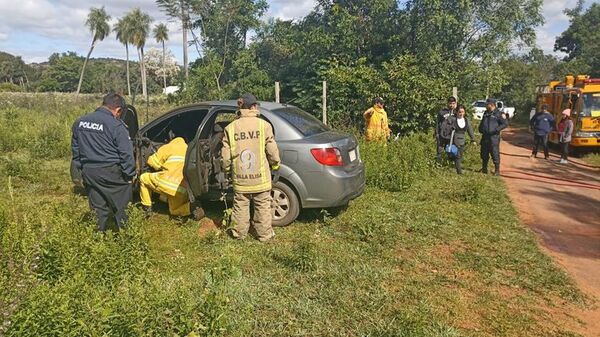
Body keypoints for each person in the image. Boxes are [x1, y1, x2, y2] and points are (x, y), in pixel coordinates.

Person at [221, 94, 281, 242]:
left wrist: (227, 169)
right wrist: (275, 164)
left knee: (240, 207)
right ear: (253, 107)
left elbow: (226, 155)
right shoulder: (264, 125)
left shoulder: (230, 128)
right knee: (262, 207)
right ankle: (265, 235)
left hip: (241, 179)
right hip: (260, 178)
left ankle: (239, 234)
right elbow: (272, 150)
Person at [71, 93, 135, 231]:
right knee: (123, 208)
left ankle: (98, 239)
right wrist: (129, 175)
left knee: (98, 208)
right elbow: (126, 153)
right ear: (118, 110)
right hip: (111, 172)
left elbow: (76, 150)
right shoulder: (117, 126)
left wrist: (79, 169)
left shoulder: (80, 122)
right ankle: (127, 238)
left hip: (89, 171)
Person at [139, 133, 204, 218]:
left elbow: (153, 163)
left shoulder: (170, 146)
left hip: (166, 183)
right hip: (183, 189)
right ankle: (191, 208)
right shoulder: (189, 150)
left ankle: (147, 209)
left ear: (171, 139)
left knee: (143, 178)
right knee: (173, 210)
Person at [478, 98, 508, 176]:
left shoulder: (499, 114)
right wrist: (480, 128)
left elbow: (505, 124)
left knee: (494, 153)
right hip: (485, 137)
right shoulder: (486, 113)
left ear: (492, 105)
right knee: (484, 153)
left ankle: (497, 170)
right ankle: (484, 168)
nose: (485, 106)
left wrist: (496, 130)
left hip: (493, 137)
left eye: (487, 104)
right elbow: (482, 122)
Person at [451, 105, 476, 174]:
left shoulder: (466, 120)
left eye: (463, 112)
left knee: (460, 156)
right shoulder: (453, 119)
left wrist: (473, 139)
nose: (461, 114)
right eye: (459, 112)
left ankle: (456, 167)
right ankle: (459, 172)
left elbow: (470, 130)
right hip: (454, 140)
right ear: (456, 112)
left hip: (462, 140)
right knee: (457, 156)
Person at [436, 96, 458, 163]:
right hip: (442, 134)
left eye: (453, 103)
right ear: (447, 103)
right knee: (440, 149)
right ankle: (438, 163)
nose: (451, 105)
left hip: (452, 135)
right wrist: (437, 133)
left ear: (455, 104)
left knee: (451, 150)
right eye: (450, 103)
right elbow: (438, 123)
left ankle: (450, 163)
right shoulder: (442, 112)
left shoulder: (457, 112)